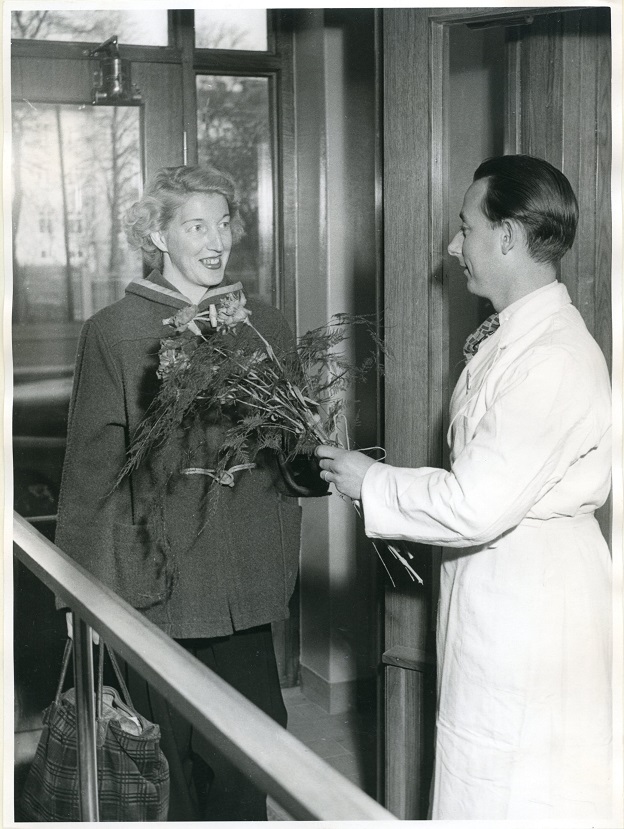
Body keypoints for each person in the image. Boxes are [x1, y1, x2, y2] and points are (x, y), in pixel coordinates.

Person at [317, 155, 613, 821]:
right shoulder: (514, 338)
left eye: (465, 228)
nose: (454, 247)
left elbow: (477, 501)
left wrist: (374, 481)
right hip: (501, 587)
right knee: (484, 765)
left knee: (528, 785)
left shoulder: (554, 359)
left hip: (538, 604)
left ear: (507, 236)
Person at [54, 165, 302, 820]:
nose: (216, 240)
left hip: (243, 578)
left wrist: (318, 457)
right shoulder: (115, 331)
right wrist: (85, 599)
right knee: (165, 761)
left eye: (223, 222)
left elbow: (293, 450)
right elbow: (92, 474)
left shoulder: (266, 324)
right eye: (196, 225)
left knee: (250, 750)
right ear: (159, 235)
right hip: (154, 584)